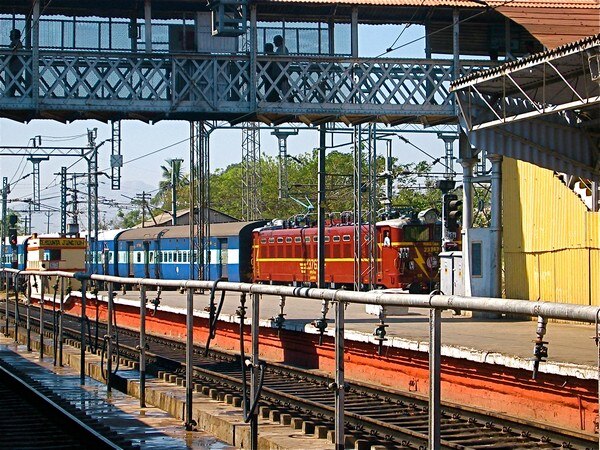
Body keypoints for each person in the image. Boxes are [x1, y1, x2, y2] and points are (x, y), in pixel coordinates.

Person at [273, 35, 291, 101]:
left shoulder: (283, 49)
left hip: (282, 73)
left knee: (284, 88)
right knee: (284, 88)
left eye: (275, 42)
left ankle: (288, 100)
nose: (274, 43)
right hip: (281, 72)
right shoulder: (282, 49)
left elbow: (283, 61)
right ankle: (288, 100)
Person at [6, 28, 23, 97]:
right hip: (16, 67)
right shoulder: (17, 43)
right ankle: (24, 93)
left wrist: (6, 58)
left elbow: (13, 54)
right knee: (15, 82)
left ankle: (12, 95)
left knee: (14, 82)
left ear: (14, 36)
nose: (9, 36)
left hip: (15, 67)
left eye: (11, 35)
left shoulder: (17, 43)